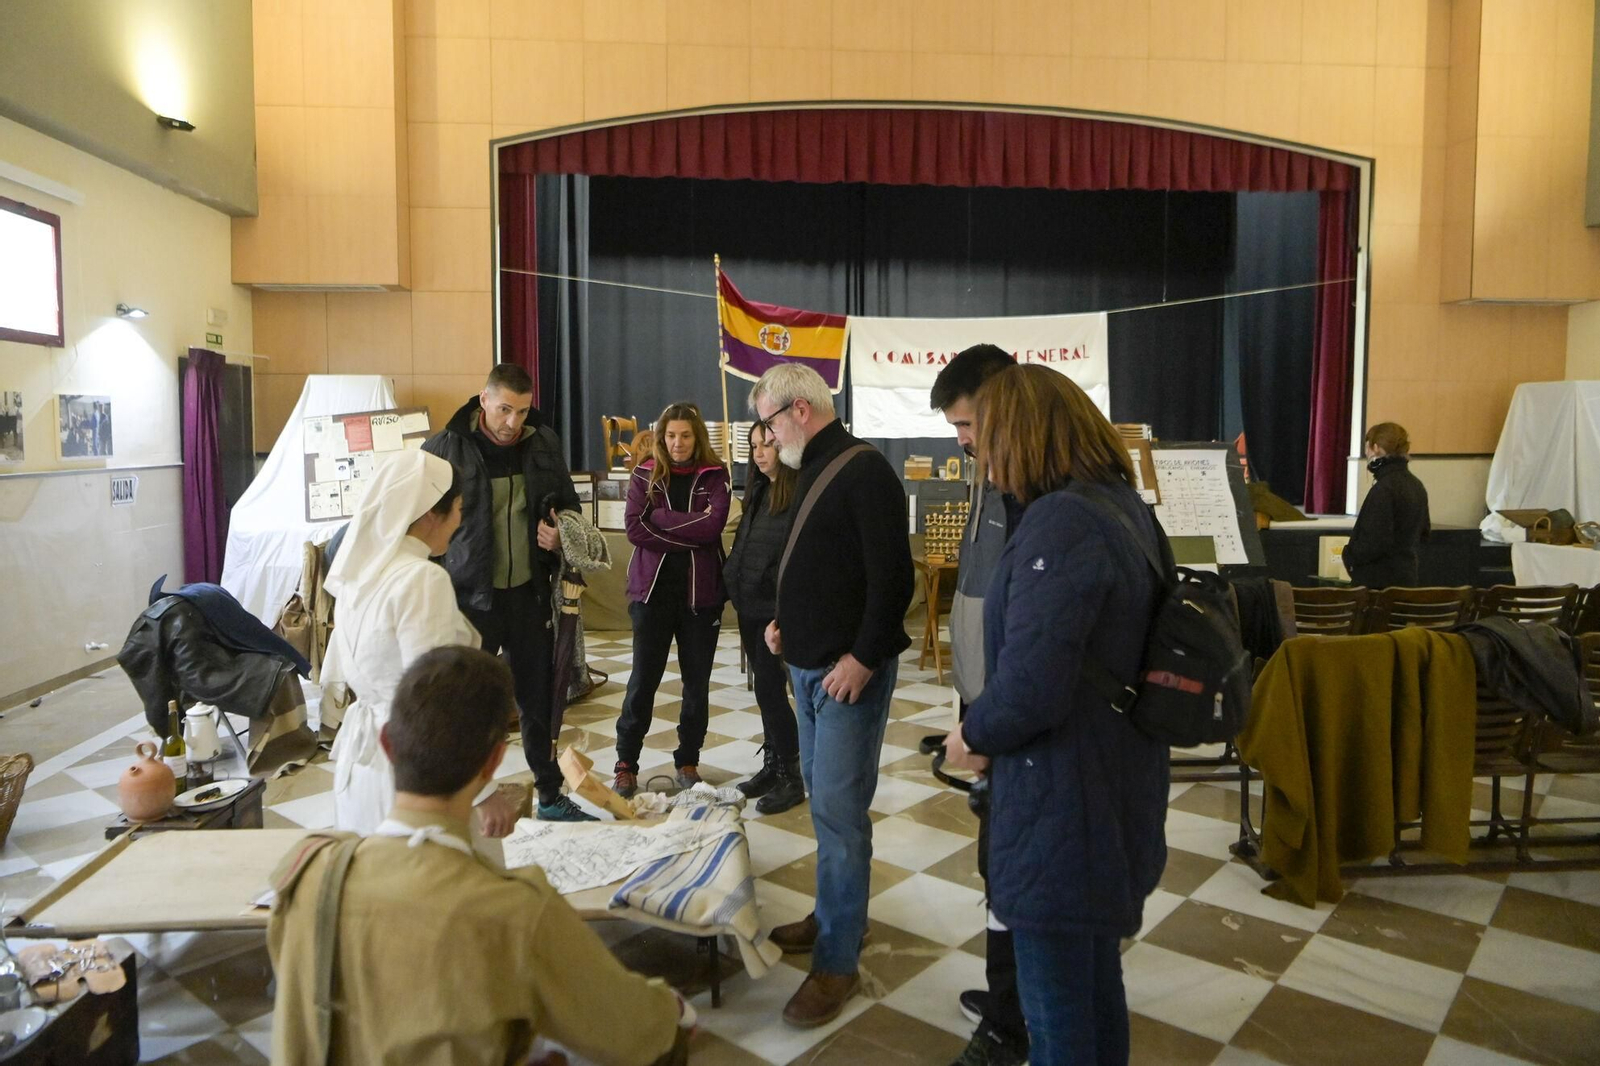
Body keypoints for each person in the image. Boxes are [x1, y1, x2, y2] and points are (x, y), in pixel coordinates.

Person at [267, 645, 692, 1066]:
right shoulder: (515, 909)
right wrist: (669, 1009)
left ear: (387, 744)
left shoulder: (306, 873)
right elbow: (632, 1032)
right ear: (493, 763)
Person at [943, 365, 1169, 1066]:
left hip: (1064, 804)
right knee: (1095, 985)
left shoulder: (1061, 521)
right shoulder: (1124, 508)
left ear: (1025, 436)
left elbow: (1034, 684)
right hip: (1111, 782)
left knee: (1061, 1016)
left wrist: (971, 733)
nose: (982, 459)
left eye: (989, 441)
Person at [751, 364, 914, 1029]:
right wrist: (788, 620)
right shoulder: (814, 464)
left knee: (842, 816)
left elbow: (892, 581)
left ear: (798, 409)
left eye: (766, 420)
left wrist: (864, 658)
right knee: (826, 805)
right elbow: (826, 563)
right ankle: (830, 917)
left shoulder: (862, 468)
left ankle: (839, 959)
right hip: (809, 665)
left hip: (847, 674)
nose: (764, 434)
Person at [424, 364, 595, 822]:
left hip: (528, 596)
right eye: (504, 409)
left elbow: (569, 507)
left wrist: (561, 536)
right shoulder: (445, 447)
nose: (512, 422)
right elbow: (421, 524)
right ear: (484, 400)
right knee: (467, 704)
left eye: (521, 411)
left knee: (538, 702)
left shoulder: (543, 442)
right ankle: (460, 798)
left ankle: (550, 795)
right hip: (469, 601)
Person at [321, 449, 519, 837]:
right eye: (458, 507)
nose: (461, 519)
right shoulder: (420, 579)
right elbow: (437, 699)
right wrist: (482, 791)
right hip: (417, 771)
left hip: (362, 765)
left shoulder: (360, 573)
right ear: (432, 512)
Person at [927, 343, 1029, 1066]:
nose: (961, 441)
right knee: (996, 865)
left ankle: (1013, 1024)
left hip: (1014, 726)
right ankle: (1006, 997)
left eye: (966, 424)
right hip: (985, 711)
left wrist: (989, 722)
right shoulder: (988, 476)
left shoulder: (1032, 490)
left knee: (1017, 872)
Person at [613, 403, 731, 798]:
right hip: (652, 596)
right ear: (661, 437)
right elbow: (634, 528)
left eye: (685, 435)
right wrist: (689, 533)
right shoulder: (644, 474)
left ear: (697, 438)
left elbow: (714, 526)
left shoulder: (716, 475)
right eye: (671, 435)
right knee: (643, 681)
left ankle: (688, 760)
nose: (677, 443)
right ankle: (626, 762)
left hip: (702, 598)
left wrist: (660, 517)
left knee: (696, 685)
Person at [723, 421, 803, 814]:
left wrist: (781, 610)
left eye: (768, 444)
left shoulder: (794, 494)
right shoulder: (756, 492)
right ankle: (773, 763)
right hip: (748, 603)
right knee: (763, 691)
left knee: (772, 693)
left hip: (771, 609)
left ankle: (792, 773)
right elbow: (745, 544)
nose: (759, 452)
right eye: (754, 445)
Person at [1343, 422, 1430, 589]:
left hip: (1378, 583)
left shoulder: (1384, 488)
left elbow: (1373, 541)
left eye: (1367, 448)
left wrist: (1349, 555)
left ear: (1375, 448)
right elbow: (1424, 533)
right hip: (1407, 578)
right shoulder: (1417, 485)